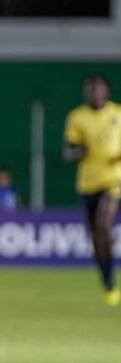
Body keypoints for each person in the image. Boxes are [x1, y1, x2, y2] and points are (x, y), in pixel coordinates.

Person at [63, 73, 121, 306]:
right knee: (95, 236)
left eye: (98, 88)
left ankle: (109, 272)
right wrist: (80, 151)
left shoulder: (118, 114)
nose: (94, 93)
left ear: (107, 90)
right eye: (90, 89)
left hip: (113, 179)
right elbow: (68, 153)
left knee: (103, 225)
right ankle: (107, 279)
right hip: (88, 183)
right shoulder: (78, 117)